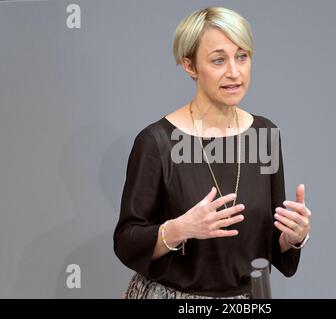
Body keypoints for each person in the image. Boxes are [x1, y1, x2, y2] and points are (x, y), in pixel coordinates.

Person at [113, 6, 312, 299]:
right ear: (190, 66)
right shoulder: (157, 142)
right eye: (218, 60)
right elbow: (126, 242)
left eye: (242, 56)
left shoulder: (265, 134)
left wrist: (293, 237)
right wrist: (179, 228)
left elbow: (267, 244)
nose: (234, 72)